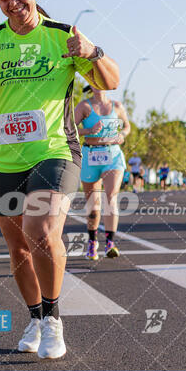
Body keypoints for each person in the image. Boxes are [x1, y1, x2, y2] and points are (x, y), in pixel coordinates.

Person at [0, 0, 119, 359]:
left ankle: (54, 320)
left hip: (55, 153)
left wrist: (93, 52)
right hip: (3, 160)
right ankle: (36, 317)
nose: (12, 2)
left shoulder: (63, 36)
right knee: (19, 247)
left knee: (39, 231)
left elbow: (110, 81)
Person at [75, 87, 130, 260]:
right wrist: (89, 131)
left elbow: (127, 126)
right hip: (90, 154)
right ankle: (92, 242)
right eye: (94, 81)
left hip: (112, 154)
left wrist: (122, 134)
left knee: (111, 197)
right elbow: (69, 129)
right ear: (90, 85)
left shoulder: (117, 106)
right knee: (93, 206)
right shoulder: (84, 106)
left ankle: (110, 243)